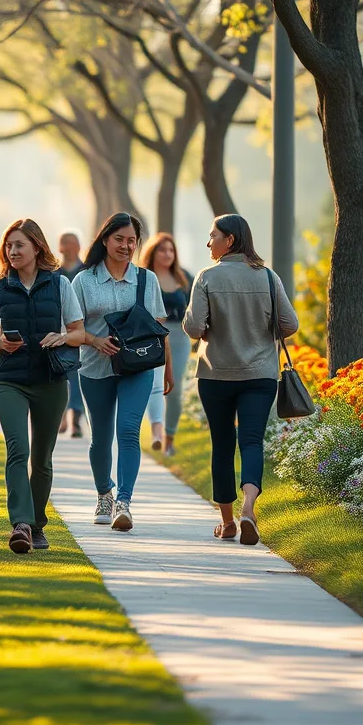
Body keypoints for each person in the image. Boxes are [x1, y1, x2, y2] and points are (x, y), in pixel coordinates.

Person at [183, 213, 299, 547]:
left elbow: (193, 328)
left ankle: (227, 522)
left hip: (216, 374)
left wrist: (209, 326)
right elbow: (289, 325)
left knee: (222, 445)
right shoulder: (267, 277)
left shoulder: (206, 277)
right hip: (260, 374)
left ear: (230, 239)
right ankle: (249, 507)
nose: (209, 242)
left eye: (213, 235)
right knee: (251, 441)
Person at [0, 219, 85, 553]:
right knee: (18, 450)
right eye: (8, 245)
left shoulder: (60, 286)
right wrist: (2, 343)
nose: (12, 251)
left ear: (37, 247)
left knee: (42, 457)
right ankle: (21, 524)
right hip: (10, 380)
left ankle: (38, 524)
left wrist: (62, 337)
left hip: (51, 381)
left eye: (19, 245)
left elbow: (79, 332)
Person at [72, 213, 169, 532]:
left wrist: (165, 369)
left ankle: (124, 502)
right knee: (100, 437)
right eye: (119, 239)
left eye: (131, 241)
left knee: (128, 430)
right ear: (104, 240)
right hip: (94, 368)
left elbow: (158, 327)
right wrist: (95, 340)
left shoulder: (146, 280)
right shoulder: (83, 281)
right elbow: (71, 329)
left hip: (136, 367)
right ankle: (104, 494)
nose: (126, 246)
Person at [140, 233, 193, 456]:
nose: (168, 254)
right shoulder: (142, 277)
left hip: (179, 337)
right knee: (154, 385)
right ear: (153, 253)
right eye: (162, 250)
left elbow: (194, 309)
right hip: (151, 335)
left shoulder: (184, 278)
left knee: (175, 388)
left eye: (171, 250)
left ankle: (169, 438)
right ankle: (156, 432)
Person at [58, 230, 87, 438]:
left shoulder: (87, 271)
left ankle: (75, 419)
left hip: (83, 330)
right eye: (63, 243)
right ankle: (60, 415)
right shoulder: (54, 273)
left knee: (77, 375)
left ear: (78, 246)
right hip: (58, 329)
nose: (67, 247)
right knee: (61, 374)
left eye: (70, 243)